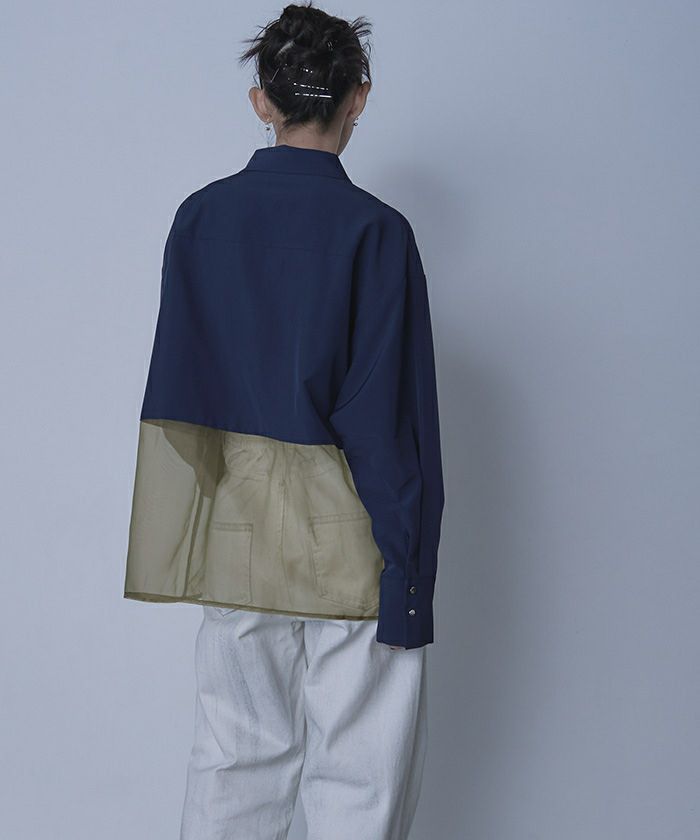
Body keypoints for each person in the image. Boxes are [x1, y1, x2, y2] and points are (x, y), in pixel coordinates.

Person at [123, 2, 445, 838]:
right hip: (352, 534)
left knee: (235, 757)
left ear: (261, 100)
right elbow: (389, 418)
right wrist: (409, 575)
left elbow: (185, 387)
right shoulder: (377, 233)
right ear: (358, 97)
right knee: (359, 777)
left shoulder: (201, 218)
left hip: (239, 529)